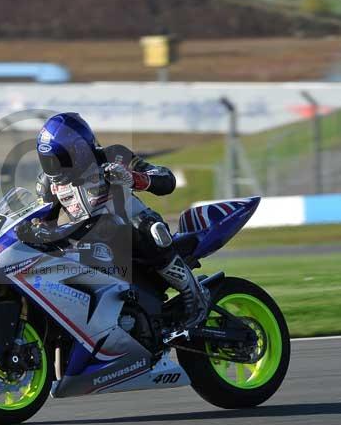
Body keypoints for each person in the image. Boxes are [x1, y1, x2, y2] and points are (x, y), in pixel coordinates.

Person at [15, 112, 208, 331]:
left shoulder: (115, 156)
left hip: (129, 227)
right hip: (85, 238)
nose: (54, 168)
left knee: (150, 230)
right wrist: (35, 230)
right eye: (48, 161)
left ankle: (194, 296)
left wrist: (134, 178)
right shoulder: (48, 183)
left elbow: (166, 179)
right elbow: (44, 218)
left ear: (79, 150)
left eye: (60, 160)